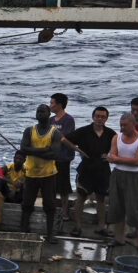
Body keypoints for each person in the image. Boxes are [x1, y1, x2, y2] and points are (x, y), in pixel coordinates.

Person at [62, 106, 116, 237]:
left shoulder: (111, 133)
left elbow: (117, 147)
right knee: (81, 197)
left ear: (106, 119)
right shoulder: (84, 131)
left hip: (103, 169)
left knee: (101, 199)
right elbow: (64, 139)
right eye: (97, 116)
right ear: (93, 117)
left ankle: (101, 227)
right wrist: (78, 150)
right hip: (86, 168)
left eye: (103, 117)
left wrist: (111, 156)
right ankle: (77, 226)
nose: (100, 119)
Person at [106, 112, 138, 251]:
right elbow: (112, 155)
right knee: (117, 206)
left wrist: (117, 159)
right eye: (121, 125)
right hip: (118, 175)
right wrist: (117, 159)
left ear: (133, 124)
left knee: (136, 209)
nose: (122, 128)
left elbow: (137, 161)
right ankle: (119, 238)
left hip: (134, 177)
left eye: (125, 125)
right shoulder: (116, 137)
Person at [20, 104, 62, 243]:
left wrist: (32, 150)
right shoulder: (29, 131)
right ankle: (23, 231)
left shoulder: (55, 133)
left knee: (50, 206)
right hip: (31, 173)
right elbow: (23, 149)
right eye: (38, 111)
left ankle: (50, 234)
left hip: (48, 174)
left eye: (42, 111)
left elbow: (54, 154)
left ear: (49, 114)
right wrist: (44, 150)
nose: (39, 113)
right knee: (27, 204)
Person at [49, 93, 76, 225]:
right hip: (51, 158)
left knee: (64, 187)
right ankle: (52, 209)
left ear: (59, 105)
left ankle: (64, 211)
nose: (50, 106)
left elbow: (64, 137)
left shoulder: (68, 120)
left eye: (52, 103)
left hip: (63, 157)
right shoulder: (50, 120)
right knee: (51, 185)